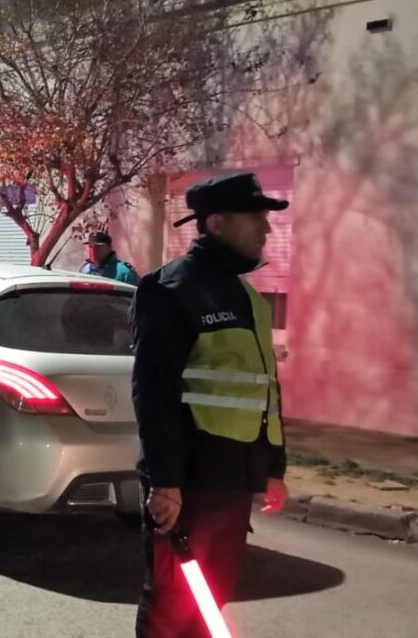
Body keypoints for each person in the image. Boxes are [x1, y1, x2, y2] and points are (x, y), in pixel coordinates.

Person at [130, 172, 289, 637]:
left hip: (234, 478)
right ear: (216, 223)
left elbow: (265, 388)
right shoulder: (170, 289)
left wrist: (273, 467)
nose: (266, 227)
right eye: (254, 216)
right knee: (170, 604)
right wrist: (166, 481)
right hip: (190, 480)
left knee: (211, 597)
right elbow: (154, 391)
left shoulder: (248, 298)